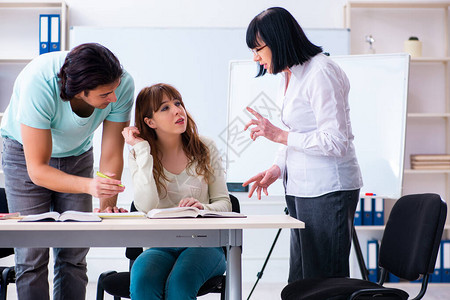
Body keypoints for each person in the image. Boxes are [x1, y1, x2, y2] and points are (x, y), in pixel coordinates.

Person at [1, 43, 135, 300]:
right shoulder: (39, 82)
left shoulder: (121, 84)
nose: (114, 98)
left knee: (74, 253)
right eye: (106, 94)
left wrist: (107, 203)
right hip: (24, 155)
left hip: (77, 154)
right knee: (31, 256)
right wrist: (89, 186)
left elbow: (111, 154)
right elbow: (38, 170)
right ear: (80, 92)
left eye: (115, 89)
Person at [243, 7, 363, 282]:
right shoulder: (288, 75)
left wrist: (279, 135)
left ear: (279, 40)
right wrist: (276, 169)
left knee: (323, 283)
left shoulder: (321, 72)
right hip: (300, 189)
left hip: (328, 189)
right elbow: (296, 131)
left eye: (258, 49)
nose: (255, 57)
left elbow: (335, 142)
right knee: (299, 283)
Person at [122, 83, 231, 299]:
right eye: (165, 108)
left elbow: (224, 203)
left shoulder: (205, 147)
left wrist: (202, 208)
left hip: (205, 244)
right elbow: (146, 206)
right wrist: (142, 150)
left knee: (180, 284)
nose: (177, 110)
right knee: (143, 283)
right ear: (149, 121)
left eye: (178, 103)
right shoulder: (140, 154)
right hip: (159, 245)